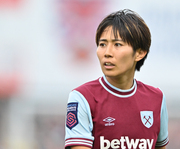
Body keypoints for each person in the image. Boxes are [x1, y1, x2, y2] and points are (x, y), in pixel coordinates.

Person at [65, 9, 169, 149]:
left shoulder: (156, 99)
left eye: (117, 44)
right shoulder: (82, 97)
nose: (107, 53)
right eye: (102, 44)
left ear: (139, 53)